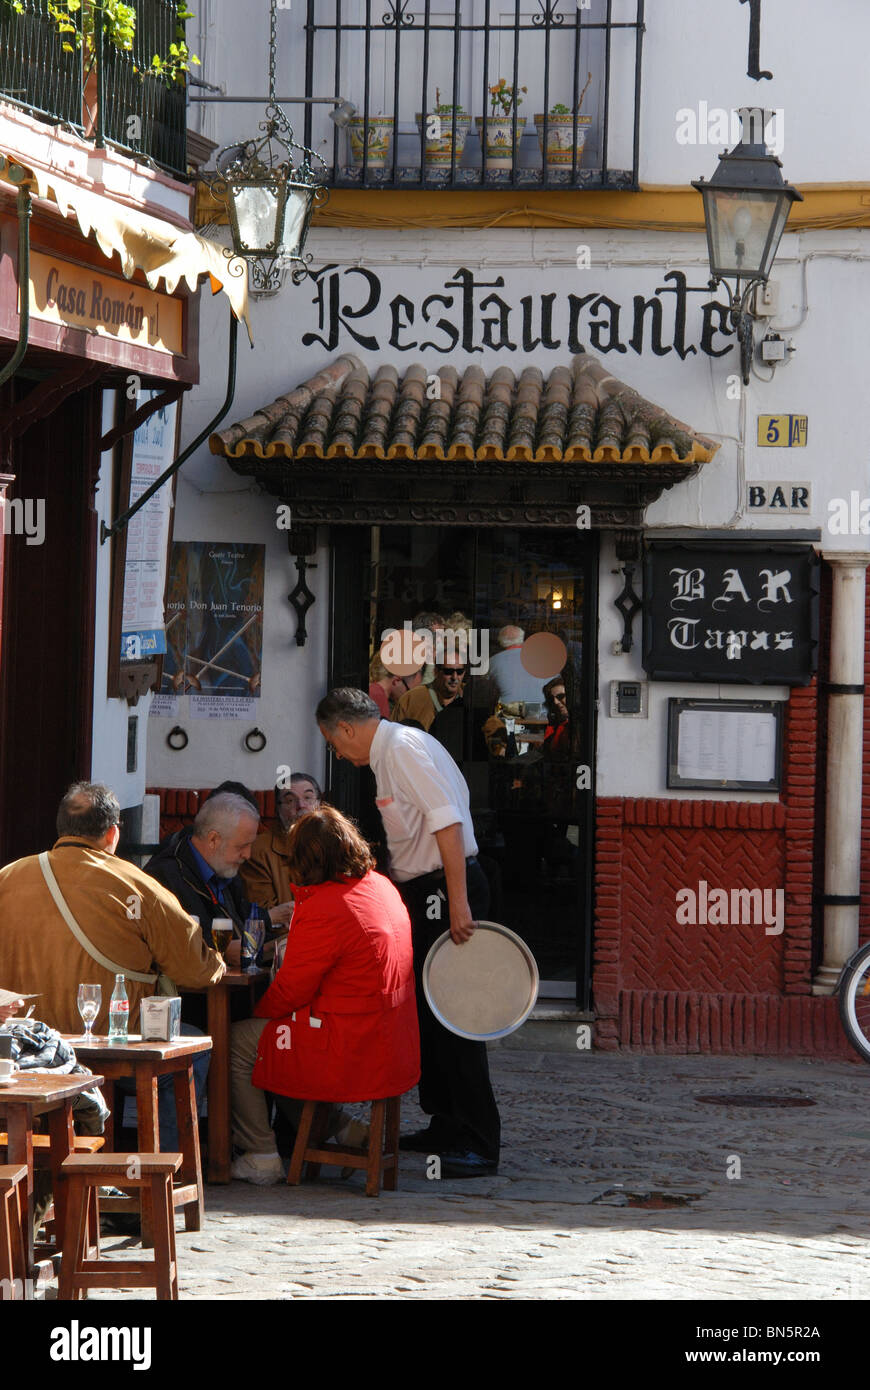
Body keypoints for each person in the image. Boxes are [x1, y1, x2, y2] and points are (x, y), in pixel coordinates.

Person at [316, 688, 500, 1178]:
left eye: (333, 742)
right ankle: (446, 1124)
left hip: (447, 888)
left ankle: (480, 1143)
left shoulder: (400, 748)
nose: (336, 753)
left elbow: (448, 824)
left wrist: (458, 906)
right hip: (428, 891)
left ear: (348, 728)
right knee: (429, 1016)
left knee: (457, 1015)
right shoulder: (390, 752)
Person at [0, 781, 224, 1148]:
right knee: (194, 1046)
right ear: (112, 833)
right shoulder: (136, 884)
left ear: (61, 830)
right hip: (112, 1041)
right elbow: (195, 971)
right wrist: (217, 959)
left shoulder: (8, 878)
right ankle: (157, 1177)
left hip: (27, 1046)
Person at [230, 805, 420, 1185]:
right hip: (390, 1037)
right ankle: (346, 1131)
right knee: (274, 1044)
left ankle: (261, 1155)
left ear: (304, 859)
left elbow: (290, 989)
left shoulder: (328, 905)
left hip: (349, 1042)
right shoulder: (381, 886)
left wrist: (258, 1012)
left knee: (239, 1042)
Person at [145, 792, 290, 951]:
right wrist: (223, 952)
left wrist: (272, 919)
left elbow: (238, 918)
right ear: (213, 840)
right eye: (241, 846)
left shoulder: (223, 868)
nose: (248, 855)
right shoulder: (164, 877)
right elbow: (172, 944)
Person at [241, 773, 323, 910]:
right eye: (290, 800)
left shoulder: (333, 844)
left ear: (319, 805)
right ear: (278, 810)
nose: (301, 806)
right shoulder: (259, 851)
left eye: (308, 798)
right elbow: (265, 914)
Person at [392, 654, 468, 733]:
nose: (454, 677)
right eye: (448, 671)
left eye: (459, 672)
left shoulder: (471, 697)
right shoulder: (411, 699)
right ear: (436, 672)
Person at [487, 625, 548, 707]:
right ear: (522, 638)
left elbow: (485, 689)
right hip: (542, 712)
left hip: (507, 713)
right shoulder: (543, 659)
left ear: (500, 641)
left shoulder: (492, 662)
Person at [369, 653, 423, 718]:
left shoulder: (374, 692)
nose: (410, 699)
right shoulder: (377, 697)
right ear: (397, 680)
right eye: (409, 692)